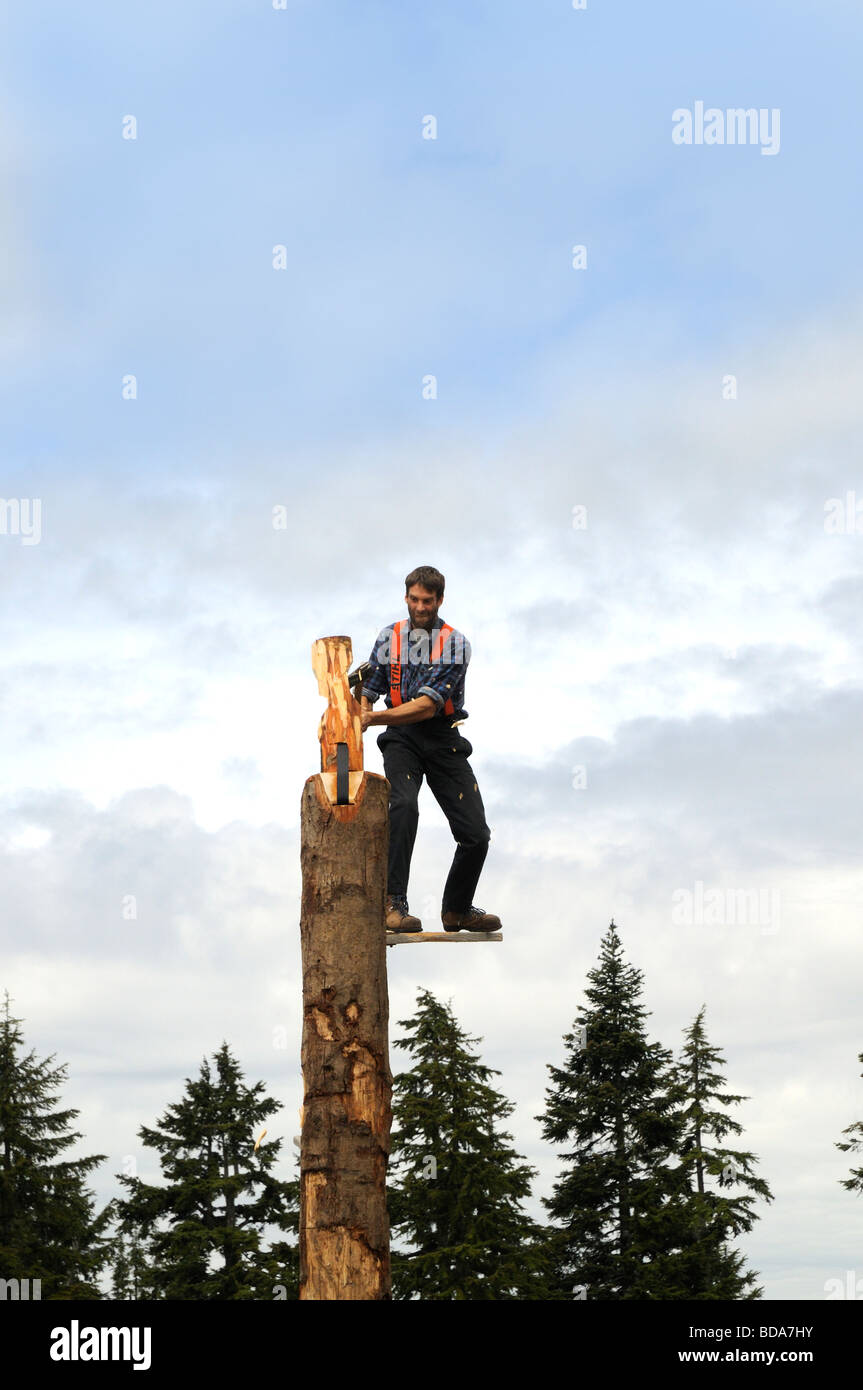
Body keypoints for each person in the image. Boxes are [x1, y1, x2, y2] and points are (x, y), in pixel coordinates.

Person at [359, 566, 501, 935]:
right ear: (406, 597)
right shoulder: (389, 636)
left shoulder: (455, 643)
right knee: (403, 806)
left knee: (476, 834)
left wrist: (372, 720)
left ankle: (457, 909)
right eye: (415, 599)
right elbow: (368, 688)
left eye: (428, 601)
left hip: (442, 738)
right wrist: (359, 708)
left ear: (439, 601)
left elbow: (426, 705)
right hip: (401, 740)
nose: (420, 607)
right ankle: (393, 904)